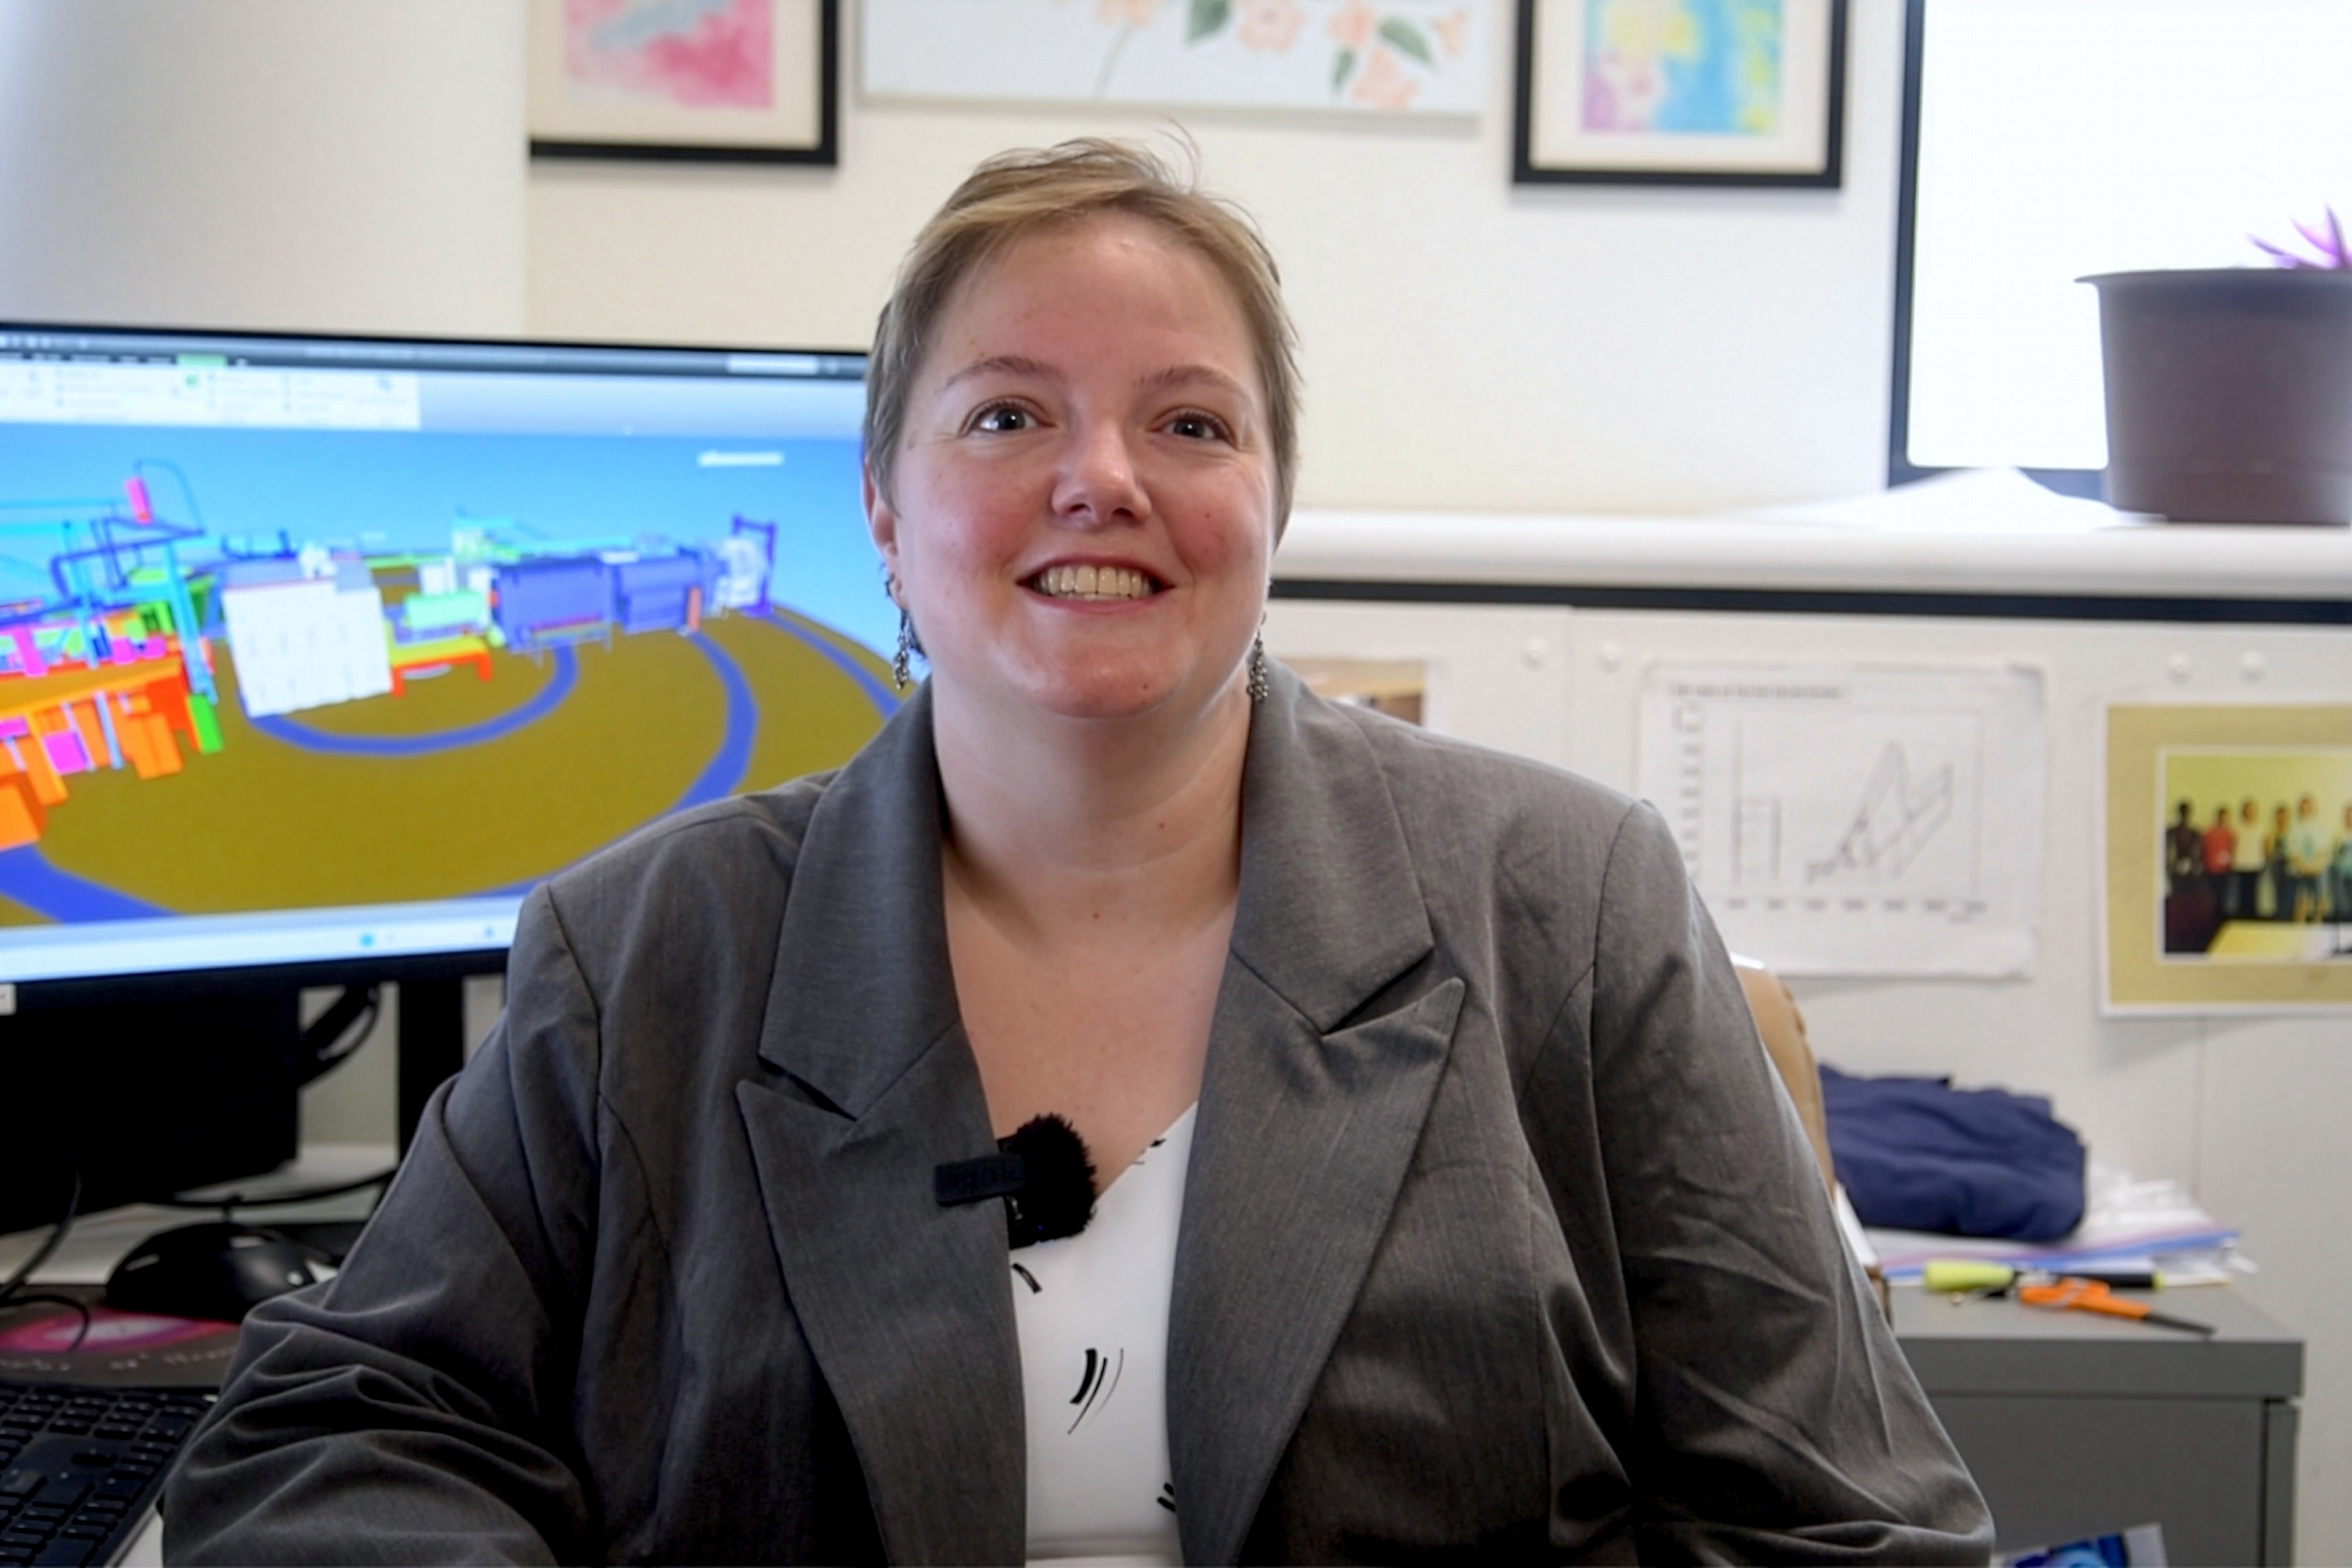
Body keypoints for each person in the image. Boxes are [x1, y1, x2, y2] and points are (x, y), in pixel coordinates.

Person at [164, 141, 1989, 1564]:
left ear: (1270, 503)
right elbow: (342, 1420)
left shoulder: (1570, 909)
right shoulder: (645, 953)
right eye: (1005, 413)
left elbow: (1852, 1519)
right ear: (880, 507)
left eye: (1187, 420)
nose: (1097, 475)